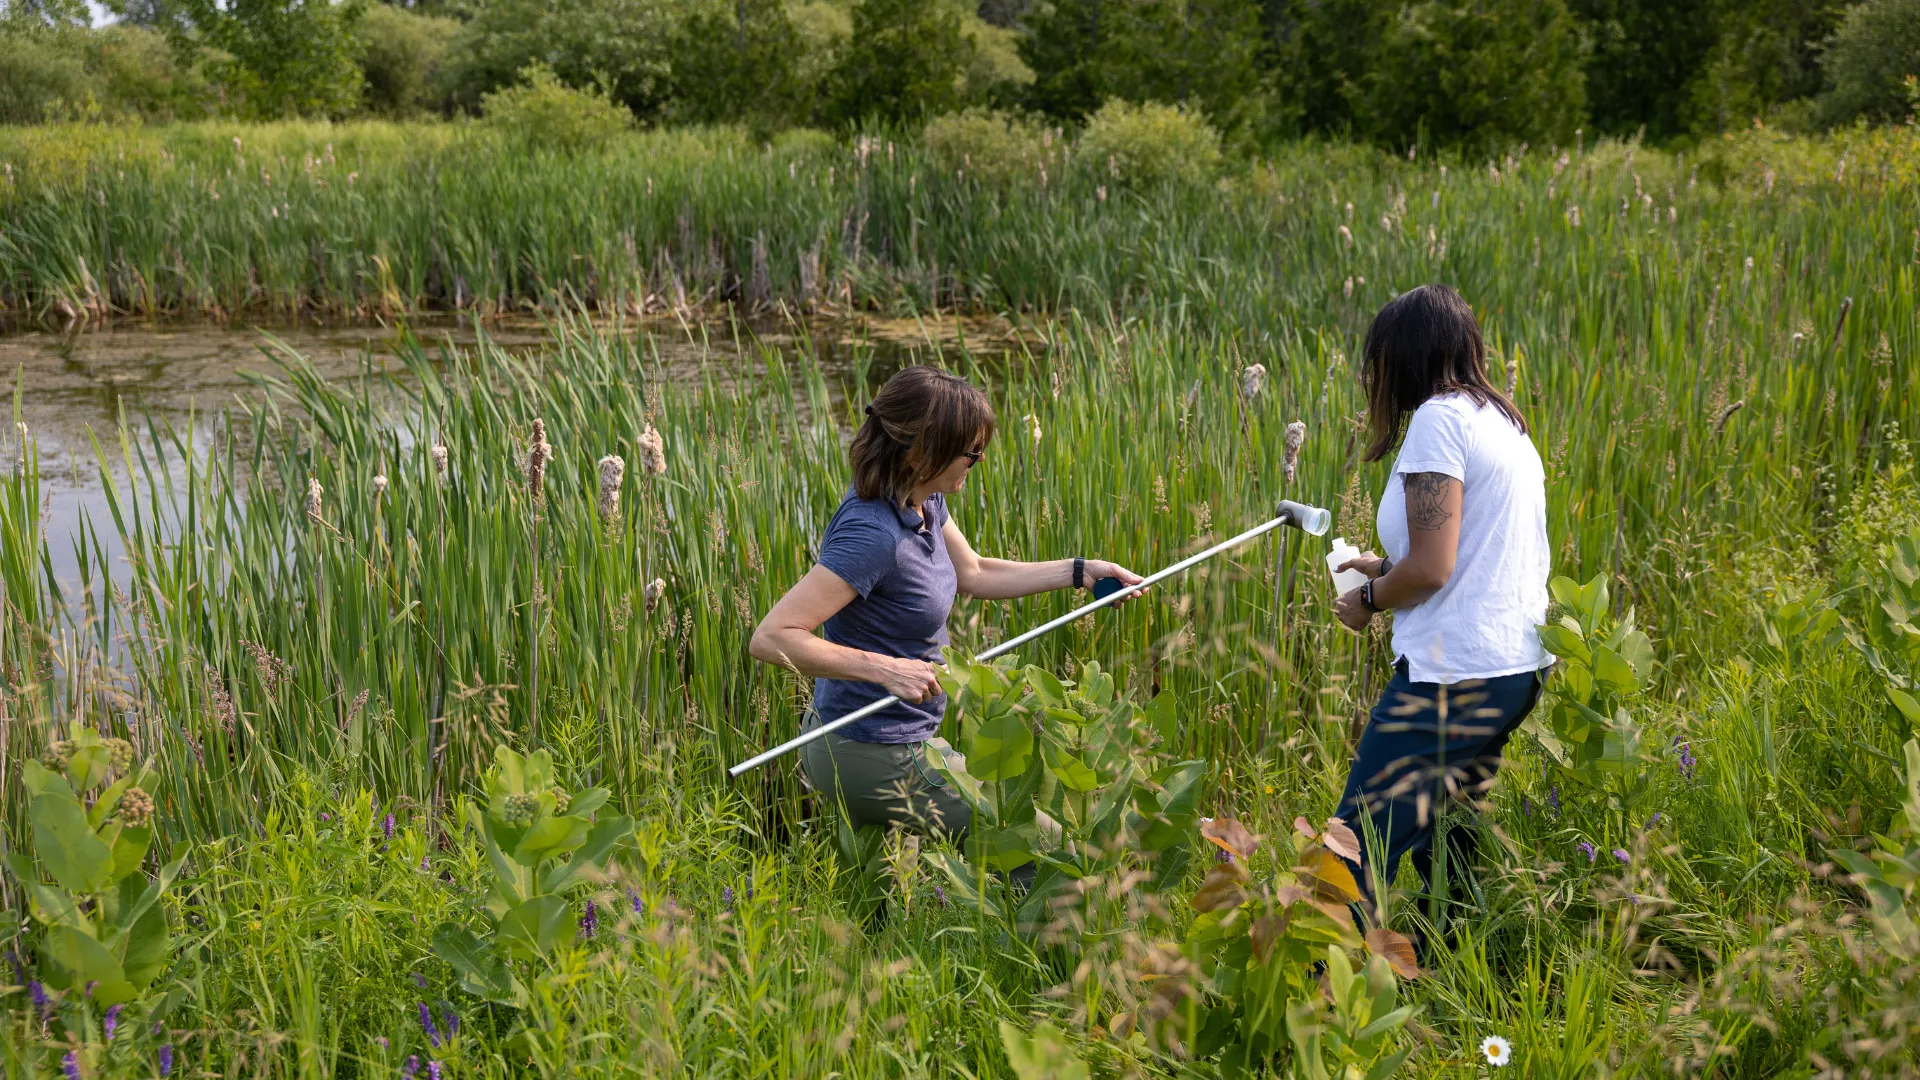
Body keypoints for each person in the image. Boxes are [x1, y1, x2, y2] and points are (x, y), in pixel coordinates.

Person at [749, 365, 1144, 847]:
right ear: (921, 453)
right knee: (1048, 847)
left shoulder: (923, 500)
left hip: (899, 736)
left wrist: (1082, 571)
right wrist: (886, 670)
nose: (976, 464)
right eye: (970, 455)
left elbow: (974, 573)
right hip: (869, 746)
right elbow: (772, 637)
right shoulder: (874, 535)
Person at [1328, 284, 1552, 928]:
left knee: (1352, 845)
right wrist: (1385, 569)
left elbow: (1433, 567)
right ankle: (1463, 985)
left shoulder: (1438, 420)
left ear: (1403, 360)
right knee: (1447, 844)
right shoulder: (1504, 424)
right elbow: (1472, 557)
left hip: (1452, 677)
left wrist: (1370, 599)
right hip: (1512, 672)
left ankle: (1312, 995)